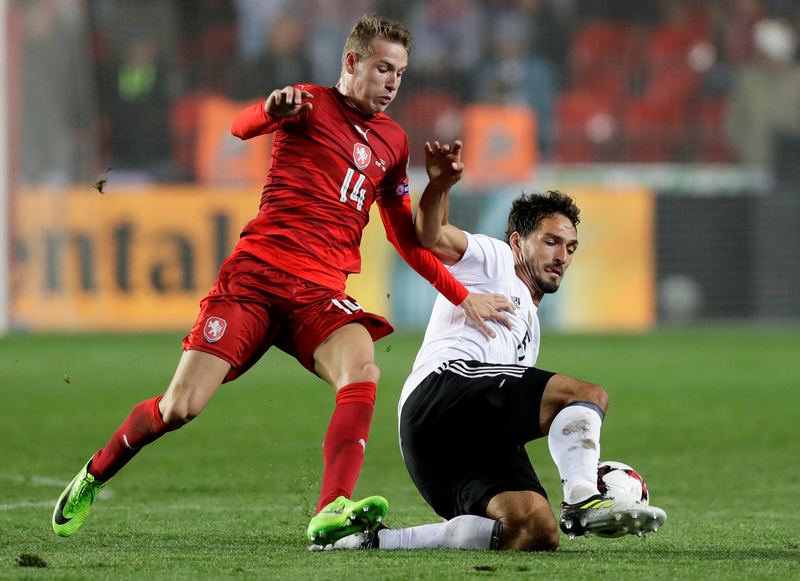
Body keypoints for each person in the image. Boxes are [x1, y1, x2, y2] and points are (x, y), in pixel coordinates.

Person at [51, 15, 513, 545]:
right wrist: (269, 108)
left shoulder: (393, 142)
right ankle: (94, 473)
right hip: (255, 281)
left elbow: (407, 238)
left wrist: (462, 294)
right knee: (180, 407)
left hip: (318, 296)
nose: (392, 83)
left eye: (401, 74)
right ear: (352, 62)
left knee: (362, 366)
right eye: (383, 68)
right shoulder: (307, 103)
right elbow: (239, 126)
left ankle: (330, 509)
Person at [320, 143, 667, 551]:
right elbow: (431, 234)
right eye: (551, 242)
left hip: (446, 445)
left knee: (533, 530)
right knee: (585, 396)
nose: (562, 257)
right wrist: (439, 185)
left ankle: (371, 543)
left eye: (570, 248)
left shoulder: (530, 329)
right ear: (519, 241)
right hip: (441, 393)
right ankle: (583, 499)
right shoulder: (495, 258)